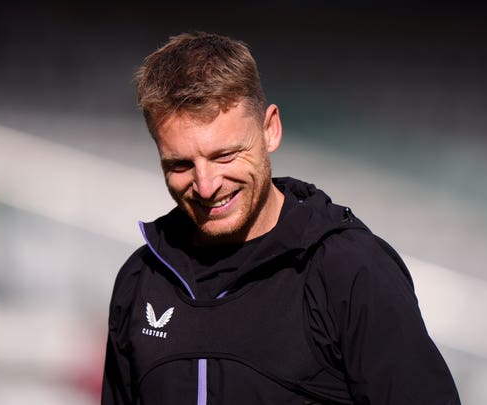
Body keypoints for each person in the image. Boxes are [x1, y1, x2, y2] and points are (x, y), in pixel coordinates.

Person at [101, 32, 461, 405]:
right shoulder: (140, 280)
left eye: (225, 155)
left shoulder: (352, 272)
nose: (206, 186)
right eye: (180, 164)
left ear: (270, 129)